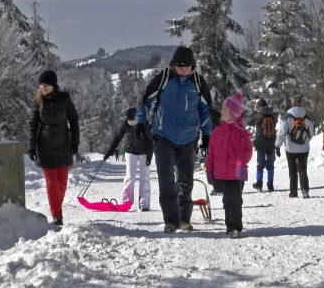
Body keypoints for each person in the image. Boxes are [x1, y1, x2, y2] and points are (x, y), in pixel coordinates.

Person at [135, 46, 213, 233]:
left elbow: (205, 110)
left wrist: (207, 134)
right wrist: (140, 123)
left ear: (193, 66)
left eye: (186, 66)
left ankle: (184, 219)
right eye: (179, 66)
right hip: (163, 137)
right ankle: (171, 221)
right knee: (167, 180)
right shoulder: (163, 79)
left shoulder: (198, 82)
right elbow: (146, 101)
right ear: (173, 65)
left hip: (189, 139)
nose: (183, 70)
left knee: (185, 181)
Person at [27, 70, 80, 226]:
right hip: (45, 148)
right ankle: (57, 216)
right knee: (52, 183)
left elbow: (74, 120)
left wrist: (75, 142)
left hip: (64, 146)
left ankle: (56, 208)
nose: (43, 88)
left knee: (62, 184)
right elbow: (33, 125)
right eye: (41, 85)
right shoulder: (38, 101)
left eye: (46, 85)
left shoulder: (64, 98)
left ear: (53, 85)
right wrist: (31, 146)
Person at [205, 92, 253, 238]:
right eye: (222, 108)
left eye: (225, 109)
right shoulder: (217, 132)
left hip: (236, 174)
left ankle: (235, 227)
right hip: (222, 174)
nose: (221, 111)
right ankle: (230, 226)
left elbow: (246, 151)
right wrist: (210, 170)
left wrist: (240, 164)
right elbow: (211, 153)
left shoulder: (241, 132)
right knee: (227, 200)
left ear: (233, 114)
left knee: (235, 200)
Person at [104, 108, 154, 211]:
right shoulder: (125, 124)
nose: (131, 124)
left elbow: (150, 140)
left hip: (144, 152)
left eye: (133, 122)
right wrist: (110, 151)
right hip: (130, 151)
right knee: (130, 177)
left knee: (144, 177)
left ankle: (144, 204)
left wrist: (149, 155)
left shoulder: (144, 124)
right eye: (129, 122)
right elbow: (118, 138)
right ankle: (127, 201)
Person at [275, 94, 314, 199]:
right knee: (302, 169)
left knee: (292, 170)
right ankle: (305, 191)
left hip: (290, 148)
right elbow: (311, 133)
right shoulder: (306, 116)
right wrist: (305, 141)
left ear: (292, 103)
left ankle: (293, 193)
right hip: (304, 148)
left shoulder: (287, 116)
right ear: (301, 103)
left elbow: (281, 133)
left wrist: (277, 146)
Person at [250, 99, 277, 191]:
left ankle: (259, 183)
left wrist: (255, 112)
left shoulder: (259, 115)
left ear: (260, 106)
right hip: (271, 142)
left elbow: (250, 121)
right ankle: (270, 185)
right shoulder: (273, 115)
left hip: (261, 143)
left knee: (260, 165)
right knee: (270, 165)